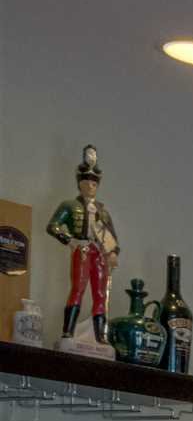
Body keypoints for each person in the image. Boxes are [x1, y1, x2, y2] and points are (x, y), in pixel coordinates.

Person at [45, 145, 119, 343]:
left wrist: (113, 253)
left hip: (99, 253)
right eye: (86, 182)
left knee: (100, 294)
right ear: (80, 183)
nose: (90, 186)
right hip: (83, 249)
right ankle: (67, 332)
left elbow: (111, 235)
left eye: (94, 183)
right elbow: (53, 226)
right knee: (77, 289)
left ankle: (99, 337)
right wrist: (69, 240)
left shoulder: (102, 211)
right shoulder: (69, 205)